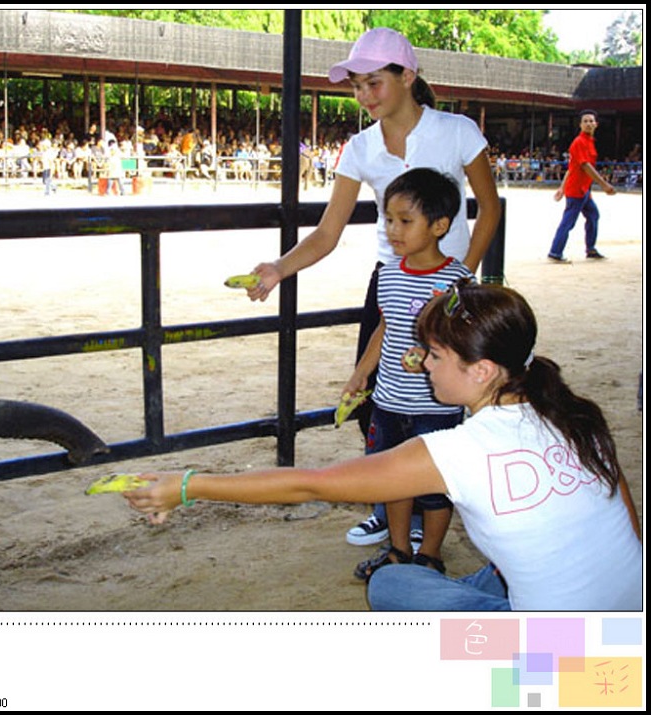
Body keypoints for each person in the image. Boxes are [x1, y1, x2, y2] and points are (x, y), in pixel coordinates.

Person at [124, 281, 642, 611]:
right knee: (512, 562)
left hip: (556, 668)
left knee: (394, 586)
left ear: (482, 370)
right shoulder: (578, 417)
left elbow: (312, 483)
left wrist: (188, 486)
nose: (422, 361)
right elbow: (631, 532)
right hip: (626, 629)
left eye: (435, 354)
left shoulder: (458, 451)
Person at [245, 27, 501, 547]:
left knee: (455, 396)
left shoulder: (456, 131)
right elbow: (327, 232)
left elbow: (489, 206)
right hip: (393, 281)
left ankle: (446, 499)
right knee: (376, 396)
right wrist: (278, 268)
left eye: (373, 83)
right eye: (357, 86)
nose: (364, 96)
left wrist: (460, 282)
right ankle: (392, 505)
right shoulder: (360, 147)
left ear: (407, 77)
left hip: (452, 287)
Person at [343, 168, 474, 580]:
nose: (393, 229)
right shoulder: (388, 274)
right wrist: (362, 373)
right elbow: (386, 327)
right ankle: (398, 550)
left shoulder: (457, 281)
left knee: (435, 487)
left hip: (435, 406)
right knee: (391, 479)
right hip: (388, 402)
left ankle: (430, 554)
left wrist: (431, 353)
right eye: (388, 219)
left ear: (439, 225)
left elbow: (465, 342)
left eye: (405, 220)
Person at [547, 109, 616, 263]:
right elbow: (585, 166)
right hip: (577, 190)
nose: (588, 123)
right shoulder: (579, 142)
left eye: (591, 121)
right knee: (569, 221)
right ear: (580, 125)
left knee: (593, 215)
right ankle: (555, 252)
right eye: (585, 121)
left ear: (596, 124)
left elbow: (572, 168)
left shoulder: (589, 142)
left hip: (583, 189)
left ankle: (590, 248)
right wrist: (604, 185)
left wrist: (561, 188)